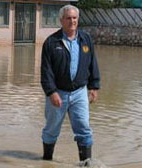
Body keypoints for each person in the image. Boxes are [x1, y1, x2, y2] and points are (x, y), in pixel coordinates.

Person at [40, 4, 100, 166]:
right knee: (51, 130)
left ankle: (85, 163)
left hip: (80, 92)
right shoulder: (52, 42)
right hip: (58, 93)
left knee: (84, 129)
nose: (72, 21)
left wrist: (94, 87)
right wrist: (51, 92)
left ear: (78, 19)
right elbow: (46, 72)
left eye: (74, 18)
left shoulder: (85, 39)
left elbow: (92, 64)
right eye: (68, 18)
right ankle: (46, 162)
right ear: (61, 20)